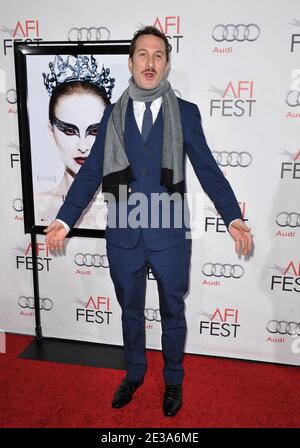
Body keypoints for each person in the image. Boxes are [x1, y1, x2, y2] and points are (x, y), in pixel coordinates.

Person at [44, 26, 253, 417]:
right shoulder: (111, 114)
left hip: (169, 233)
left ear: (167, 63)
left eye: (158, 55)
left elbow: (208, 170)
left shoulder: (185, 113)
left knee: (173, 311)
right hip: (124, 234)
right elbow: (91, 173)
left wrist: (233, 216)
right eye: (142, 54)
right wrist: (64, 219)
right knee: (130, 311)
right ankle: (135, 373)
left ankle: (173, 380)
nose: (150, 62)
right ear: (130, 62)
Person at [35, 56, 112, 229]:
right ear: (51, 131)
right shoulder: (38, 203)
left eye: (95, 131)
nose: (83, 147)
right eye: (69, 131)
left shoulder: (130, 208)